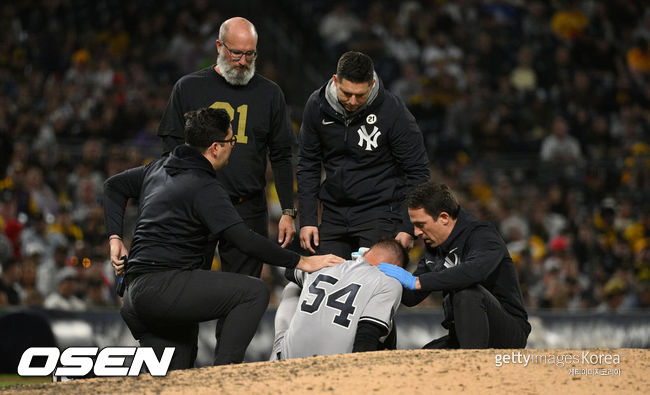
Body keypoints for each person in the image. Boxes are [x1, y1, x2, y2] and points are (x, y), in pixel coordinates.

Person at [104, 108, 343, 370]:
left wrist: (115, 237)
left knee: (175, 377)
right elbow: (245, 240)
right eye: (231, 141)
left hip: (134, 297)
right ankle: (224, 377)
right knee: (253, 292)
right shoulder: (203, 185)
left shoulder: (158, 167)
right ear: (215, 147)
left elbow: (113, 186)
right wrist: (302, 262)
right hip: (164, 289)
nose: (233, 146)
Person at [157, 17, 297, 277]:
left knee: (243, 291)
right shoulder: (188, 87)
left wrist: (288, 211)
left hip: (248, 207)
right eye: (236, 53)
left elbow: (281, 156)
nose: (243, 61)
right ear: (219, 46)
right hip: (195, 205)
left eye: (250, 54)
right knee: (186, 286)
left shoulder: (270, 94)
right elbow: (170, 152)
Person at [297, 51, 430, 259]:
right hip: (334, 213)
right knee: (324, 279)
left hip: (380, 213)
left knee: (373, 284)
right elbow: (308, 164)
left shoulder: (392, 110)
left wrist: (408, 226)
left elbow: (418, 171)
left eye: (360, 95)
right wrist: (307, 220)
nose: (352, 101)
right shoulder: (317, 105)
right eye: (346, 93)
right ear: (335, 80)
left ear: (372, 83)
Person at [379, 182, 531, 349]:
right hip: (462, 333)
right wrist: (388, 264)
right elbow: (411, 297)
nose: (416, 233)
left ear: (444, 218)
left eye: (421, 225)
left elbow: (474, 272)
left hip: (507, 333)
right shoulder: (435, 247)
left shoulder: (482, 234)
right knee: (422, 358)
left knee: (466, 291)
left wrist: (417, 281)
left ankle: (474, 367)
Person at [271, 238, 407, 360]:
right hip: (335, 368)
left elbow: (289, 272)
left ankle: (274, 358)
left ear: (364, 254)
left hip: (287, 360)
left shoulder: (327, 262)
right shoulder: (390, 281)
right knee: (383, 319)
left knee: (293, 286)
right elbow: (367, 336)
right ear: (398, 270)